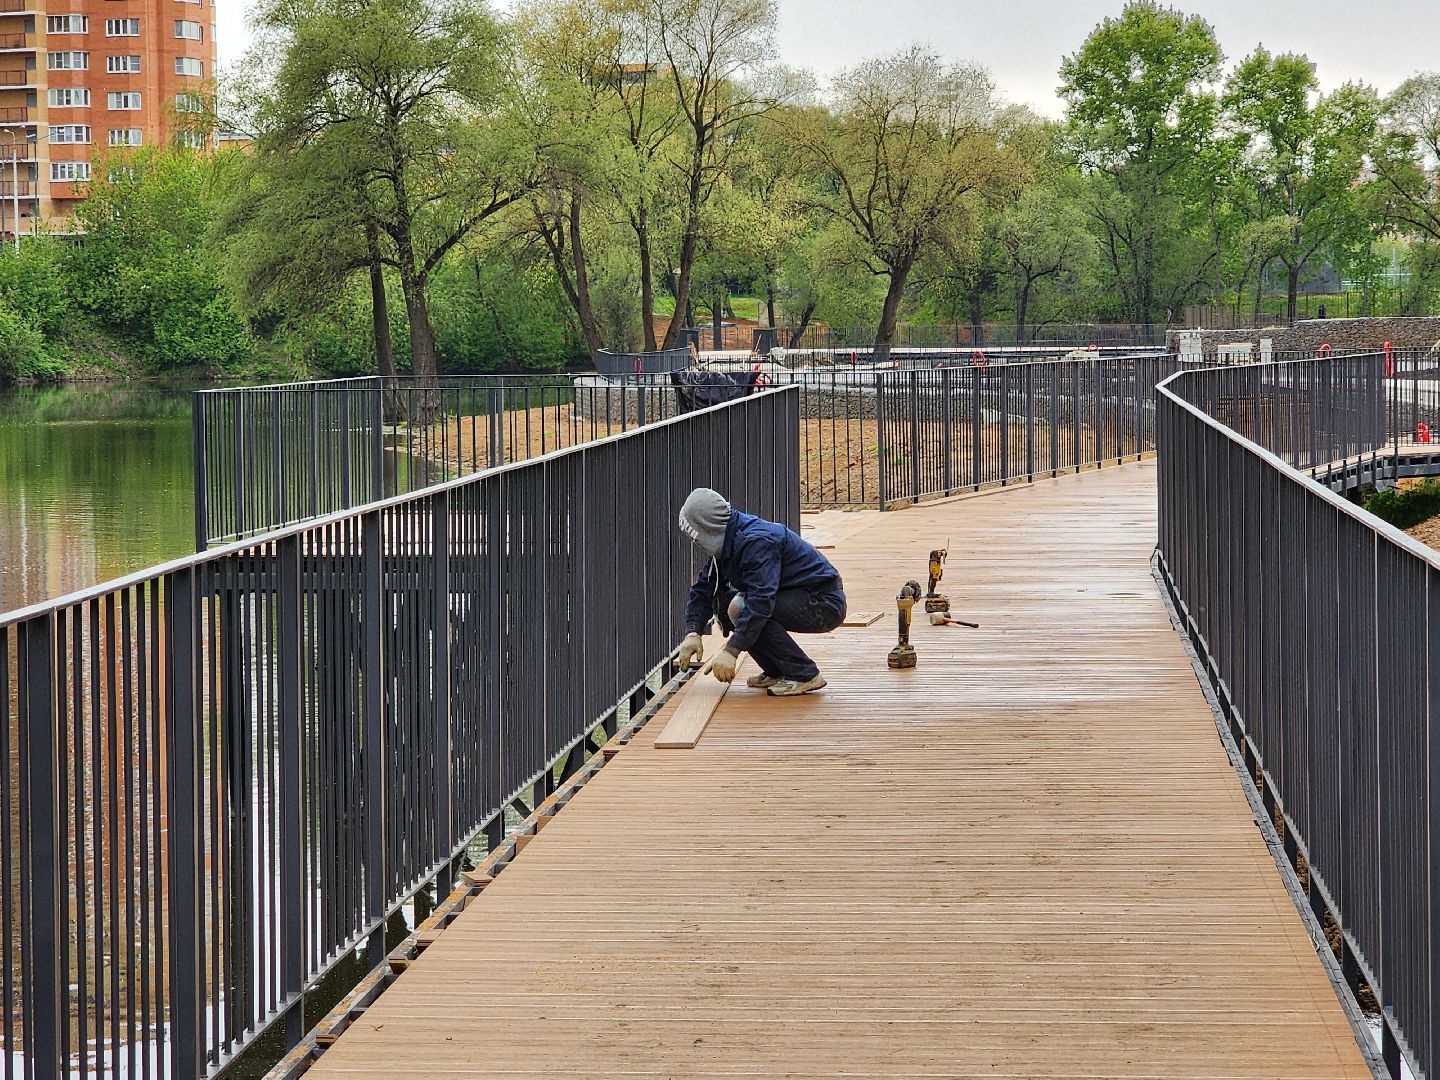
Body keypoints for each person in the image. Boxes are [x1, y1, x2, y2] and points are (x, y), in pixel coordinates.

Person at [674, 487, 846, 696]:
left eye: (696, 537)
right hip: (798, 596)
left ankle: (804, 675)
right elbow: (703, 588)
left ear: (707, 528)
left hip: (822, 603)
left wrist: (731, 651)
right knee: (730, 604)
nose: (697, 543)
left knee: (742, 607)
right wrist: (693, 632)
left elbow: (761, 601)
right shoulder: (729, 538)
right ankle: (777, 671)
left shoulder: (756, 541)